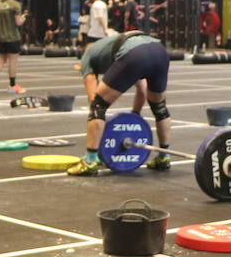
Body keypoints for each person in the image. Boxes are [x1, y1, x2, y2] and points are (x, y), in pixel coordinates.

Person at [66, 31, 175, 176]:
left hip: (135, 54)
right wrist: (135, 117)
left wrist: (98, 120)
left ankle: (90, 162)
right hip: (159, 50)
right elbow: (142, 91)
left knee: (98, 106)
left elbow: (94, 98)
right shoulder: (112, 47)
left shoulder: (87, 56)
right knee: (160, 108)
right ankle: (163, 157)